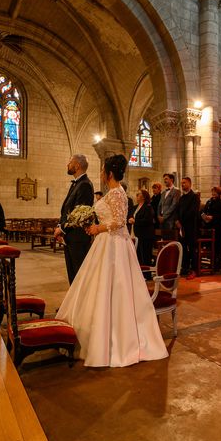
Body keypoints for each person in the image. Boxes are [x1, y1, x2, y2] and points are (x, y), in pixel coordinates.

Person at [56, 154, 168, 367]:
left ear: (108, 173)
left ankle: (114, 340)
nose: (100, 173)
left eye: (102, 170)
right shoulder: (111, 192)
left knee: (115, 288)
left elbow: (119, 221)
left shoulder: (118, 193)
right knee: (97, 287)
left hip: (113, 244)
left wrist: (98, 228)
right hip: (104, 242)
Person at [54, 154, 94, 284]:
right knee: (72, 274)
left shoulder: (85, 185)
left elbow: (79, 215)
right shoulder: (77, 184)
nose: (67, 165)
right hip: (71, 237)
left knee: (79, 275)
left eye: (70, 162)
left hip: (78, 238)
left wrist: (62, 229)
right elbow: (67, 210)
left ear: (77, 165)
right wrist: (60, 227)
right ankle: (73, 304)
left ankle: (81, 304)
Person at [176, 177, 200, 279]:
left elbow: (192, 212)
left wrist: (182, 222)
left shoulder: (194, 197)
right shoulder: (181, 198)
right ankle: (185, 268)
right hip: (181, 228)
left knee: (192, 249)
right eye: (181, 183)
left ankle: (194, 270)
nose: (182, 185)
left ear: (190, 184)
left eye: (184, 183)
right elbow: (177, 211)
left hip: (191, 227)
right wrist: (177, 221)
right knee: (183, 248)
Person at [201, 186, 221, 272]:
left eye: (215, 192)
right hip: (209, 226)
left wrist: (213, 217)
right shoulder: (209, 201)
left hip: (218, 227)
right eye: (212, 192)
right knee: (210, 247)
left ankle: (217, 265)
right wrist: (205, 216)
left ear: (219, 193)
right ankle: (211, 263)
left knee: (217, 247)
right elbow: (204, 211)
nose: (213, 194)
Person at [128, 189, 154, 269]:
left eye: (138, 194)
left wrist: (135, 221)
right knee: (137, 254)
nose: (136, 196)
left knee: (145, 255)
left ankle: (146, 274)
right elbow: (131, 215)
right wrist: (130, 219)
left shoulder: (148, 207)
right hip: (135, 232)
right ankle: (139, 272)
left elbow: (147, 220)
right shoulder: (135, 207)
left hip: (145, 234)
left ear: (143, 197)